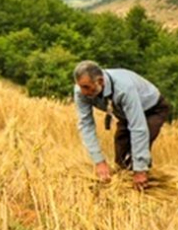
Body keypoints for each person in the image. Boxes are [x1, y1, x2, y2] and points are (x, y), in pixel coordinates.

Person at [73, 60, 171, 190]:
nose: (83, 92)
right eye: (80, 86)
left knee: (135, 153)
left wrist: (139, 170)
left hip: (152, 109)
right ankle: (125, 193)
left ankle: (145, 185)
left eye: (86, 87)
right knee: (121, 158)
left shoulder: (124, 88)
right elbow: (86, 125)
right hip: (124, 112)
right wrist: (99, 162)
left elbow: (138, 128)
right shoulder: (81, 91)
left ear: (100, 82)